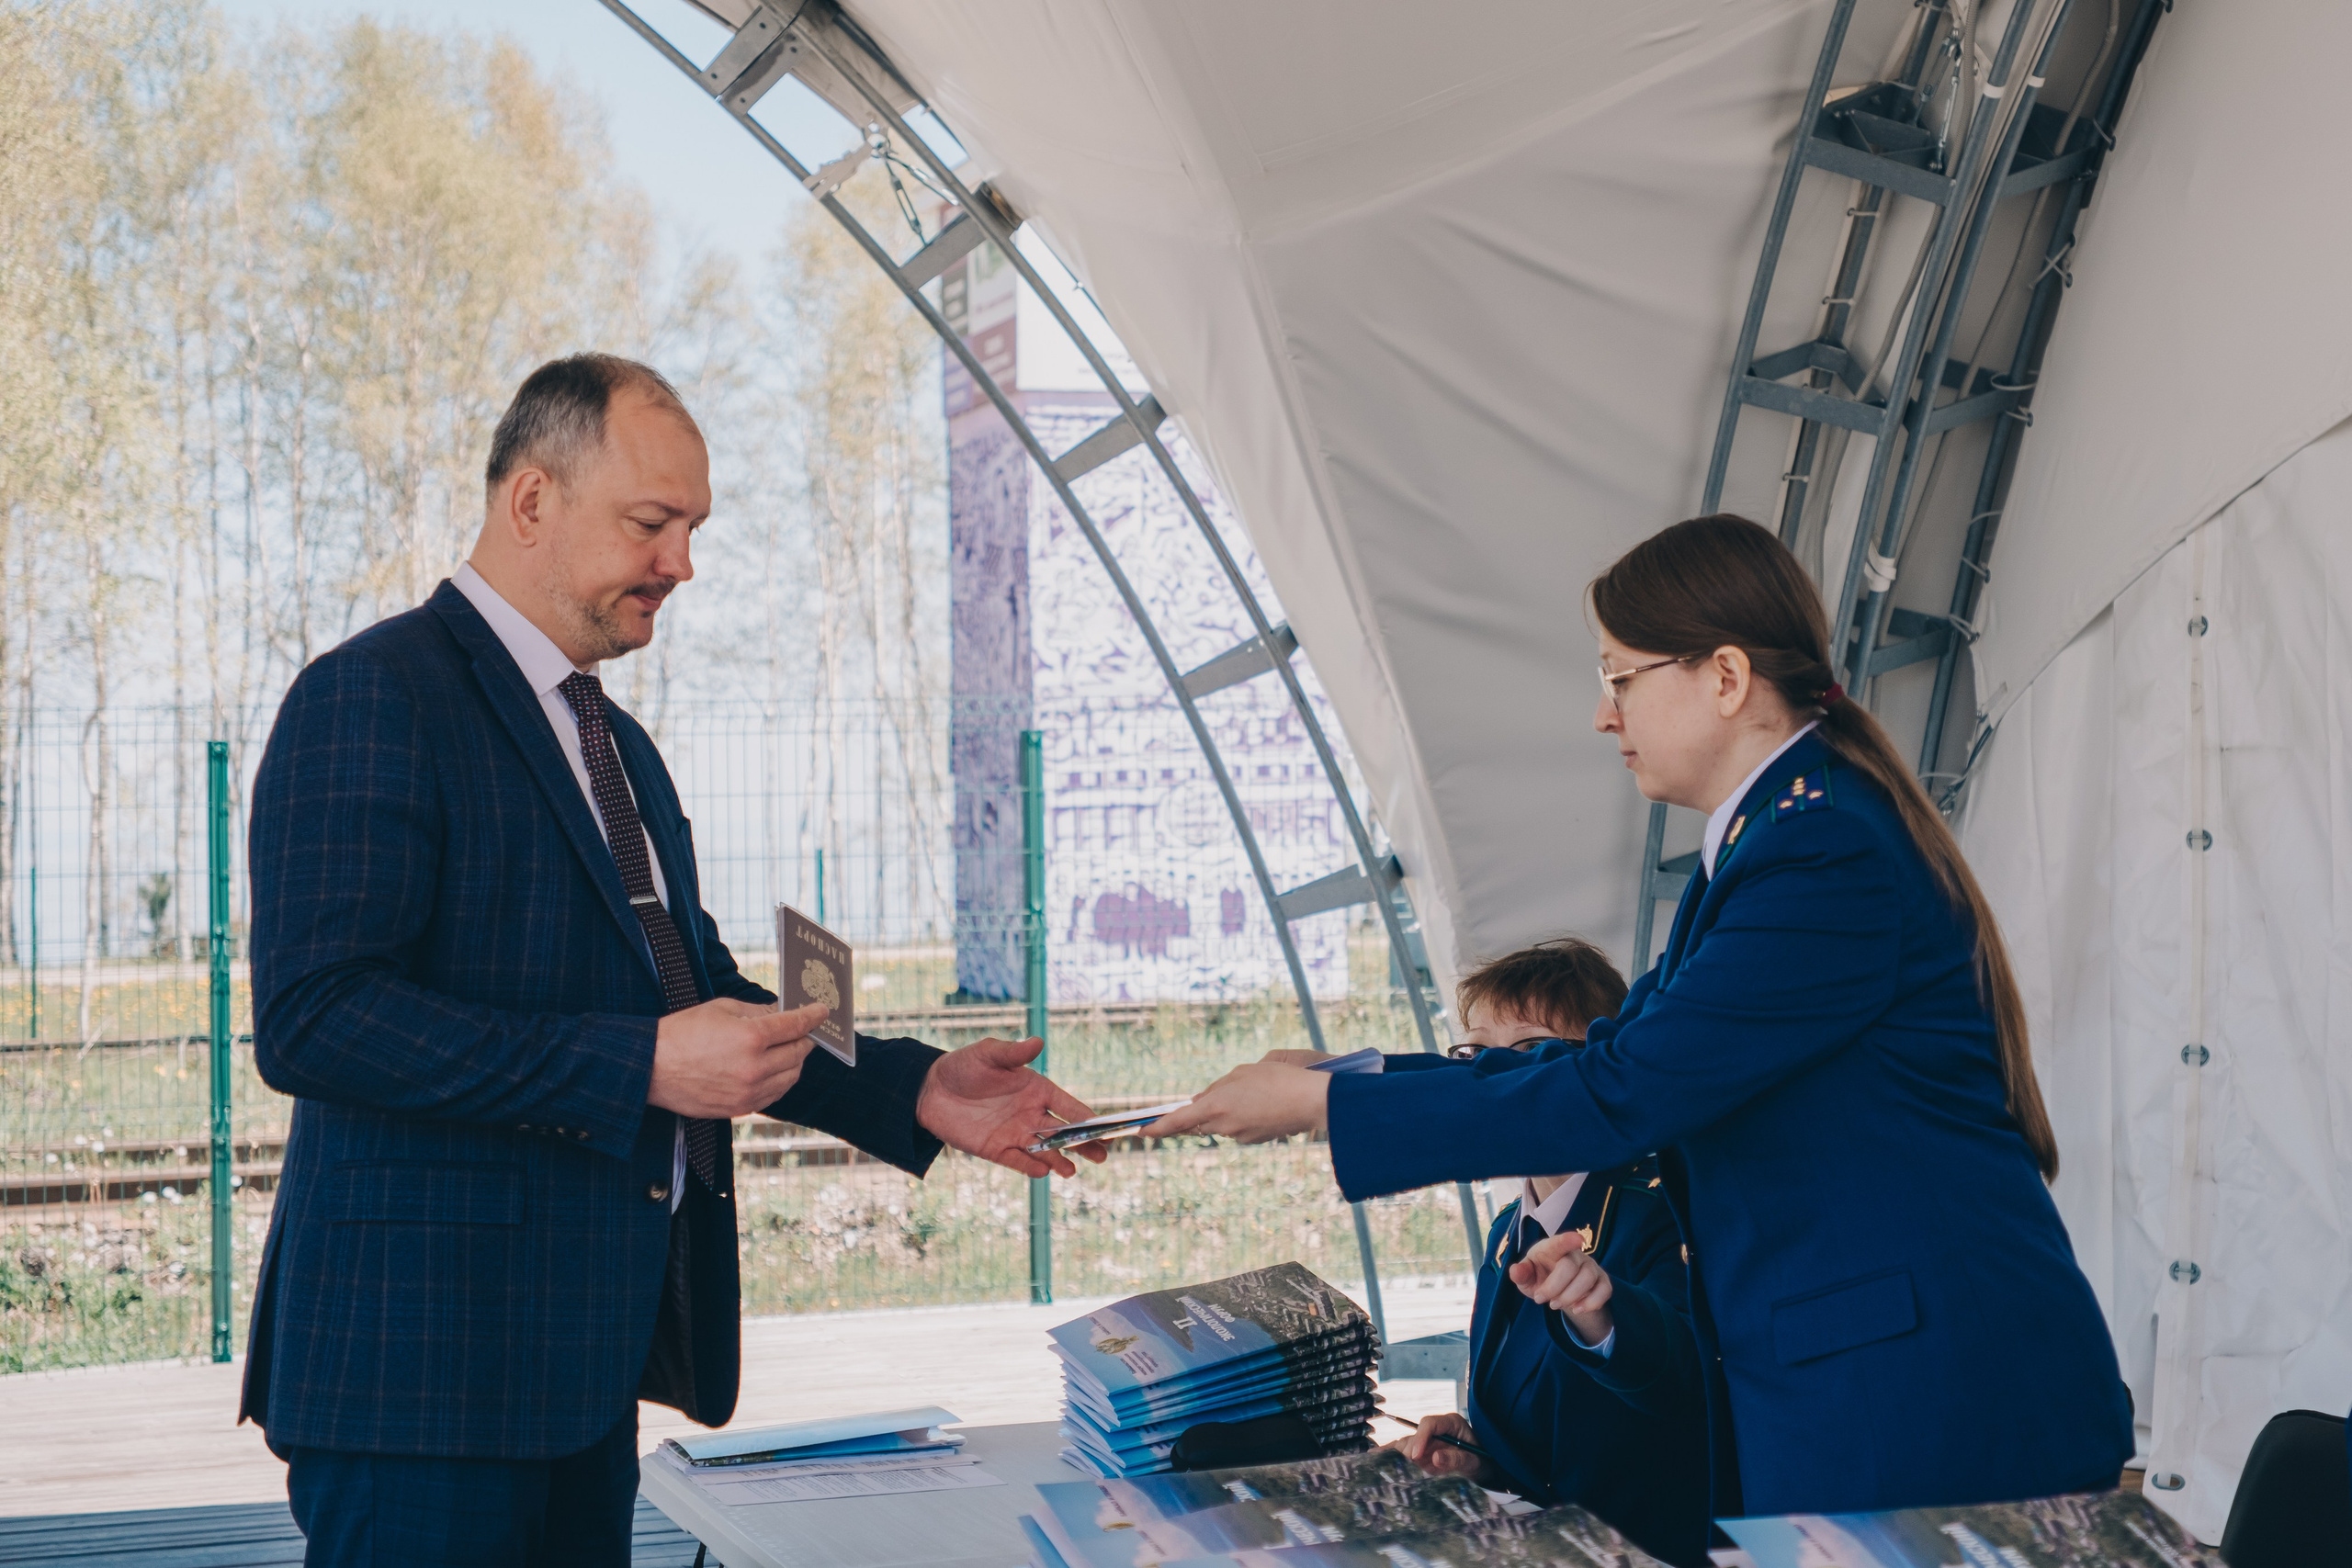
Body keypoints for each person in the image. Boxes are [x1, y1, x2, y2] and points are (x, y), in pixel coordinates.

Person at [240, 353, 1103, 1566]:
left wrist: (912, 1085)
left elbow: (705, 1002)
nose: (683, 564)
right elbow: (317, 1017)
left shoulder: (618, 745)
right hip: (419, 1384)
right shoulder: (372, 696)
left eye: (692, 527)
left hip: (581, 1376)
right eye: (653, 523)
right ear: (532, 502)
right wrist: (638, 1061)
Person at [1155, 513, 2133, 1519]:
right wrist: (1346, 1080)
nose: (1601, 713)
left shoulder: (1819, 854)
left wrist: (1327, 1108)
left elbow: (1616, 1092)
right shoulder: (1774, 842)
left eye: (1620, 676)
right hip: (1869, 1390)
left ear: (1722, 677)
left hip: (1928, 1402)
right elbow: (1614, 1054)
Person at [1391, 939, 1709, 1567]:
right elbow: (1555, 1438)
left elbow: (1680, 1385)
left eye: (1532, 1050)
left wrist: (1599, 1313)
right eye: (1475, 1053)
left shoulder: (1664, 1207)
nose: (1492, 1077)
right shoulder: (1513, 1226)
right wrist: (1483, 1454)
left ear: (1605, 1067)